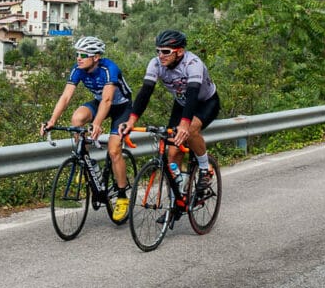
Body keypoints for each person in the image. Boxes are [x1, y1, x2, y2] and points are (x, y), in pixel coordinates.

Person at [42, 35, 135, 222]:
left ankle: (123, 196)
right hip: (100, 102)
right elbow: (66, 97)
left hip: (121, 108)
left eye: (84, 54)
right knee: (77, 119)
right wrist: (51, 120)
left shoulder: (109, 69)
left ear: (96, 57)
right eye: (77, 53)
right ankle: (88, 163)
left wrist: (98, 123)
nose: (79, 57)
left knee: (114, 150)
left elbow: (108, 100)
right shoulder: (78, 69)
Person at [118, 29, 219, 198]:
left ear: (180, 52)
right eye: (158, 51)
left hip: (205, 102)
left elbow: (193, 94)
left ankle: (204, 169)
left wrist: (185, 125)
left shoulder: (193, 63)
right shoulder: (156, 64)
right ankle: (176, 200)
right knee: (172, 153)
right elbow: (145, 92)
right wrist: (131, 121)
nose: (160, 55)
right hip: (181, 104)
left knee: (191, 130)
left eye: (166, 52)